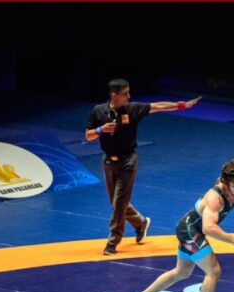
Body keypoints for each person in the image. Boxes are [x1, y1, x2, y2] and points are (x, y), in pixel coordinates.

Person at [128, 159, 234, 292]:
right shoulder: (215, 198)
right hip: (190, 231)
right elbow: (208, 228)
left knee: (182, 272)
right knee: (213, 271)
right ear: (225, 181)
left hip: (191, 228)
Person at [85, 79, 202, 255]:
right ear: (114, 95)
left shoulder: (133, 109)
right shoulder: (98, 111)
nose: (129, 96)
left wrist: (182, 105)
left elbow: (158, 106)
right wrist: (101, 130)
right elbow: (88, 136)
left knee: (119, 204)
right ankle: (140, 223)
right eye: (125, 93)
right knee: (116, 202)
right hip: (108, 162)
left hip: (128, 161)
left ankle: (112, 241)